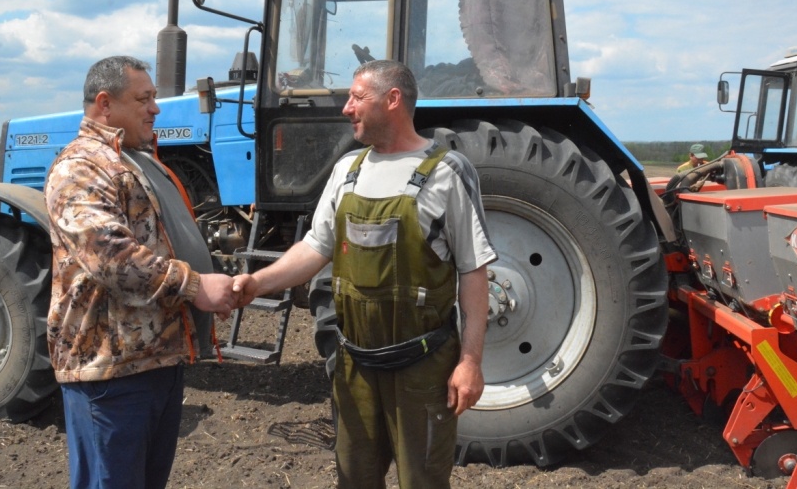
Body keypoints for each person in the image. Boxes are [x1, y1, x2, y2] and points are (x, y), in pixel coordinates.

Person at [233, 59, 497, 489]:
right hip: (355, 365)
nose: (346, 109)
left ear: (392, 100)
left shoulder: (447, 172)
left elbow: (473, 273)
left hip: (423, 367)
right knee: (354, 480)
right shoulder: (347, 170)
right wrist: (257, 283)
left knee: (424, 482)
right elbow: (315, 248)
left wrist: (470, 362)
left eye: (356, 97)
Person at [45, 55, 237, 489]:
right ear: (104, 104)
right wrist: (195, 286)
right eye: (143, 99)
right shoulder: (82, 166)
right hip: (110, 371)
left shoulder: (135, 160)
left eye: (154, 98)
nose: (156, 108)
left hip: (155, 361)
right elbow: (107, 255)